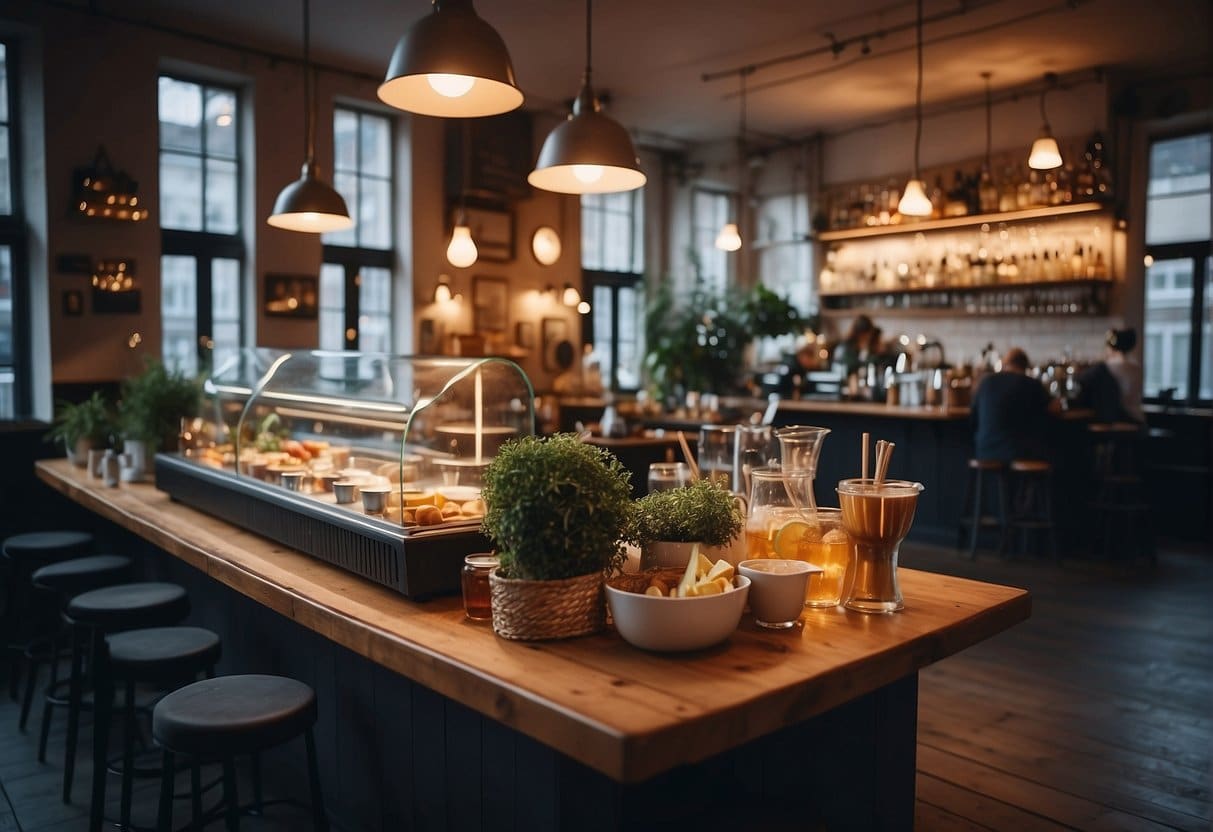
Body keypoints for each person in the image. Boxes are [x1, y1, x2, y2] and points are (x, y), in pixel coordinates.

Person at [970, 347, 1057, 462]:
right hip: (1022, 453)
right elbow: (1055, 408)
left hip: (985, 452)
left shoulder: (986, 382)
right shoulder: (1032, 384)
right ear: (1025, 366)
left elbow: (973, 416)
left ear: (1005, 364)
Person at [1076, 328, 1145, 424]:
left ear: (1111, 348)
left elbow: (1081, 382)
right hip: (1139, 419)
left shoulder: (1106, 367)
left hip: (1120, 420)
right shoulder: (1136, 367)